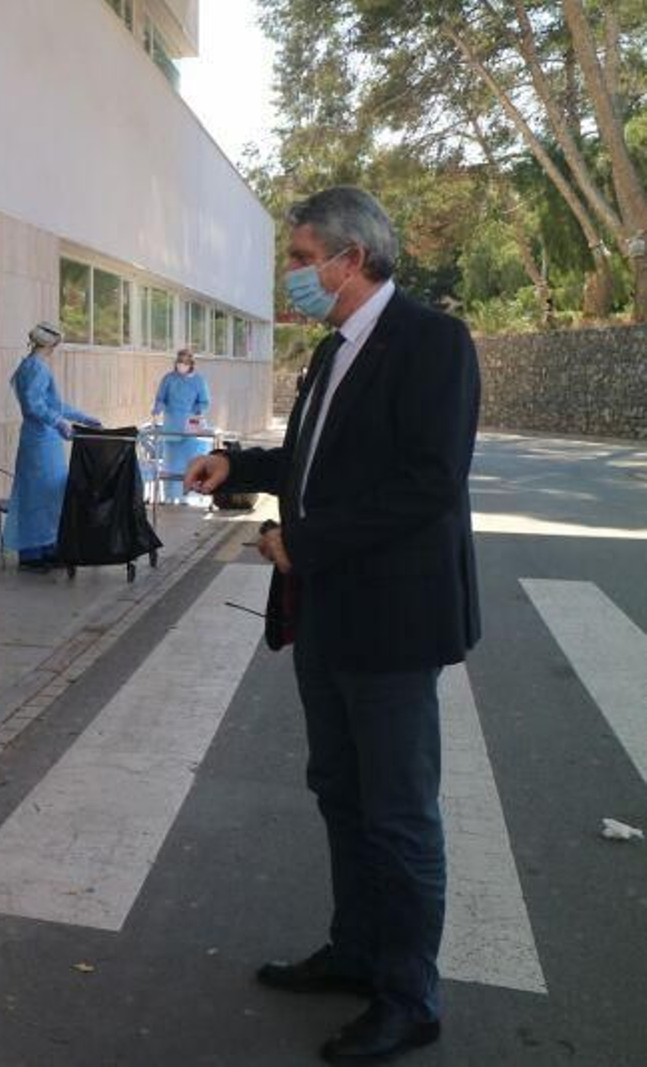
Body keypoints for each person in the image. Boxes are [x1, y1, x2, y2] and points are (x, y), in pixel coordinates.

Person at [185, 187, 480, 1063]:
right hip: (326, 617)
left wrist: (303, 544)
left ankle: (409, 997)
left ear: (353, 260)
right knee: (341, 793)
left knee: (398, 815)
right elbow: (313, 462)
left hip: (392, 624)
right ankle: (355, 952)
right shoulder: (329, 351)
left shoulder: (432, 342)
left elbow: (428, 484)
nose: (293, 273)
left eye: (304, 257)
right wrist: (237, 463)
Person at [2, 322, 101, 572]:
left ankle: (46, 548)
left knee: (46, 495)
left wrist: (82, 417)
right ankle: (34, 552)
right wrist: (59, 423)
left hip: (42, 439)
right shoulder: (35, 368)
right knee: (41, 495)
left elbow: (54, 405)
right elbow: (34, 405)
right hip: (40, 442)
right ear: (51, 344)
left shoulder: (30, 366)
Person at [150, 348, 211, 503]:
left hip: (190, 426)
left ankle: (186, 497)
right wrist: (157, 409)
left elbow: (204, 402)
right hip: (172, 425)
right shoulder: (169, 379)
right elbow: (161, 398)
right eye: (179, 362)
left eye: (185, 362)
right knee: (171, 465)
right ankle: (170, 497)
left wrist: (194, 411)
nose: (181, 365)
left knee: (188, 465)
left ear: (191, 364)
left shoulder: (198, 381)